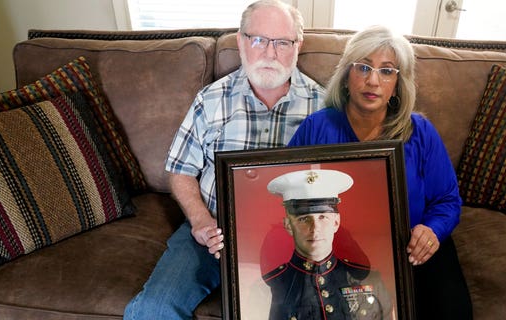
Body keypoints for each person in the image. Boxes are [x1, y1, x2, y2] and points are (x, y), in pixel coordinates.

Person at [123, 1, 325, 319]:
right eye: (259, 39)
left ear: (297, 46)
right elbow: (180, 170)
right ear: (241, 41)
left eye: (282, 42)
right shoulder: (211, 99)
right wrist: (201, 222)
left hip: (289, 241)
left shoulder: (323, 107)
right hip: (212, 232)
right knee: (152, 310)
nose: (270, 53)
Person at [287, 25, 473, 319]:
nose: (373, 81)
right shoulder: (317, 128)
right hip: (338, 253)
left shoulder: (420, 132)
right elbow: (292, 193)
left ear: (398, 84)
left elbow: (447, 200)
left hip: (411, 247)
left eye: (387, 71)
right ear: (347, 76)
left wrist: (432, 230)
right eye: (363, 68)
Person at [264, 169, 393, 320]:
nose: (315, 228)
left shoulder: (369, 280)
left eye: (323, 217)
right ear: (288, 226)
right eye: (304, 219)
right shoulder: (269, 288)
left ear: (336, 222)